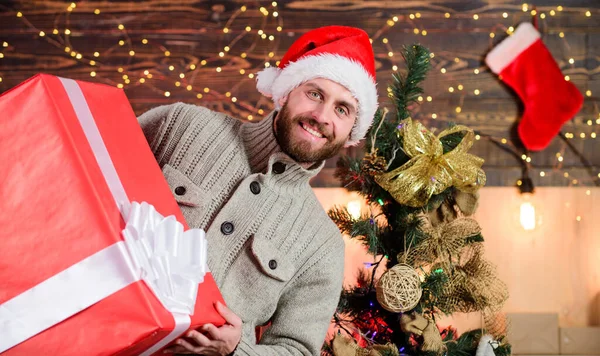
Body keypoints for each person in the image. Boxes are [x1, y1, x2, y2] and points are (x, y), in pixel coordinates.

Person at [138, 25, 378, 355]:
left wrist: (237, 350)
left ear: (352, 130)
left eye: (342, 109)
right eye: (315, 93)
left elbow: (297, 350)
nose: (322, 116)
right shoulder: (181, 125)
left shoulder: (322, 246)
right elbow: (91, 170)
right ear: (287, 91)